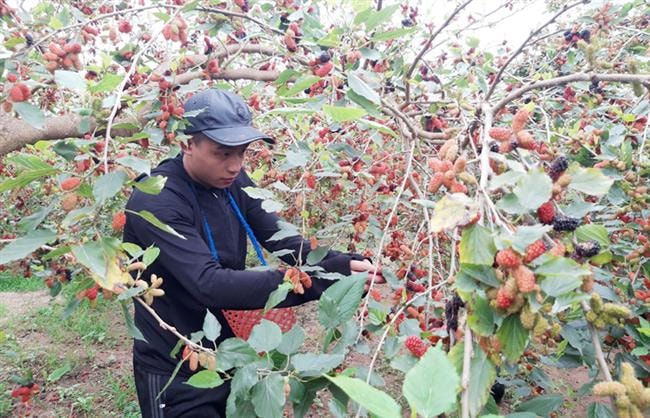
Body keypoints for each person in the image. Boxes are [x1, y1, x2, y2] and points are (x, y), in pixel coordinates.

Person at [122, 88, 384, 417]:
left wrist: (343, 265)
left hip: (233, 357)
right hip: (176, 370)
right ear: (186, 142)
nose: (235, 165)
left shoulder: (232, 180)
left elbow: (280, 239)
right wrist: (318, 282)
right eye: (222, 153)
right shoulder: (156, 199)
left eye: (242, 152)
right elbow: (210, 284)